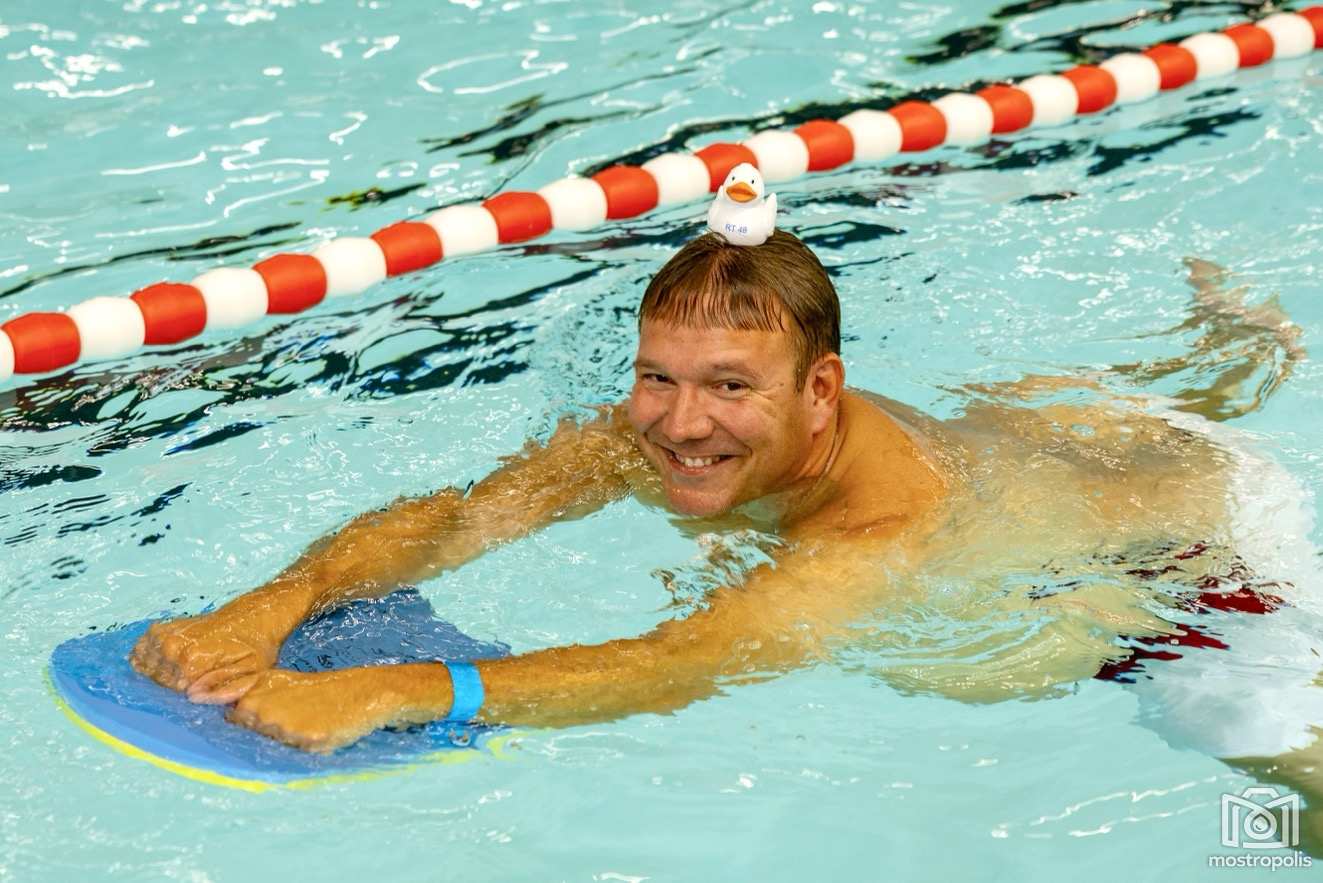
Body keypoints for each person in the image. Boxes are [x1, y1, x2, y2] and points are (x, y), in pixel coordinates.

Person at [130, 229, 1318, 842]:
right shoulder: (646, 432)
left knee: (1278, 773)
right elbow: (456, 518)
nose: (679, 424)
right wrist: (273, 601)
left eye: (729, 387)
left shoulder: (876, 524)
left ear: (821, 389)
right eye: (659, 376)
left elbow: (689, 662)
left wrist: (394, 686)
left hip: (1182, 580)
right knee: (1031, 421)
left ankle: (1226, 380)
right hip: (1044, 454)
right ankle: (1222, 362)